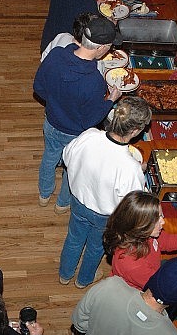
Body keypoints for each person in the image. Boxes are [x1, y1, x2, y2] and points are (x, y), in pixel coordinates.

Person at [59, 96, 150, 289]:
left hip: (78, 202)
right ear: (134, 131)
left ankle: (64, 274)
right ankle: (83, 280)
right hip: (104, 216)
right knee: (95, 247)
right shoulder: (130, 168)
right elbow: (131, 204)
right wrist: (138, 170)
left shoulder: (89, 135)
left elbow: (67, 156)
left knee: (73, 238)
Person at [34, 17, 121, 213]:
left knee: (49, 157)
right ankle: (62, 204)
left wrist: (57, 102)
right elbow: (91, 119)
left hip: (52, 122)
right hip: (76, 134)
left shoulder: (56, 55)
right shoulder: (94, 81)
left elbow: (38, 87)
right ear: (101, 48)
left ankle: (44, 194)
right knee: (71, 168)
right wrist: (110, 100)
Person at [103, 190, 177, 291]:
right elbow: (165, 287)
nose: (163, 222)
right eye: (157, 219)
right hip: (139, 293)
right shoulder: (130, 262)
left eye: (161, 215)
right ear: (140, 225)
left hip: (153, 273)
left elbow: (164, 241)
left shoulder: (143, 234)